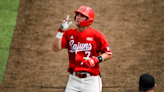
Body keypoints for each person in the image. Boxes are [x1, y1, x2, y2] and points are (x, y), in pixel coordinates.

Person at [52, 5, 112, 92]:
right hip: (73, 80)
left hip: (91, 81)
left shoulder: (97, 35)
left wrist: (95, 60)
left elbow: (108, 53)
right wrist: (60, 31)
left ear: (89, 19)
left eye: (82, 16)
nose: (78, 17)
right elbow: (55, 48)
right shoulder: (69, 33)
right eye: (77, 14)